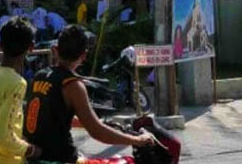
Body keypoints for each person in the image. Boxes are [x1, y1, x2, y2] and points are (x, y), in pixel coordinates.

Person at [24, 25, 154, 162]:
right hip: (62, 159)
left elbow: (50, 116)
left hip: (36, 158)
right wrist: (137, 140)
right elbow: (97, 132)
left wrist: (90, 122)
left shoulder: (40, 76)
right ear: (84, 56)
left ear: (55, 50)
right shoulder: (72, 85)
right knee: (127, 161)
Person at [0, 17, 42, 164]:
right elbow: (4, 137)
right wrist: (31, 150)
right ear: (31, 47)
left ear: (0, 45)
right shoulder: (17, 83)